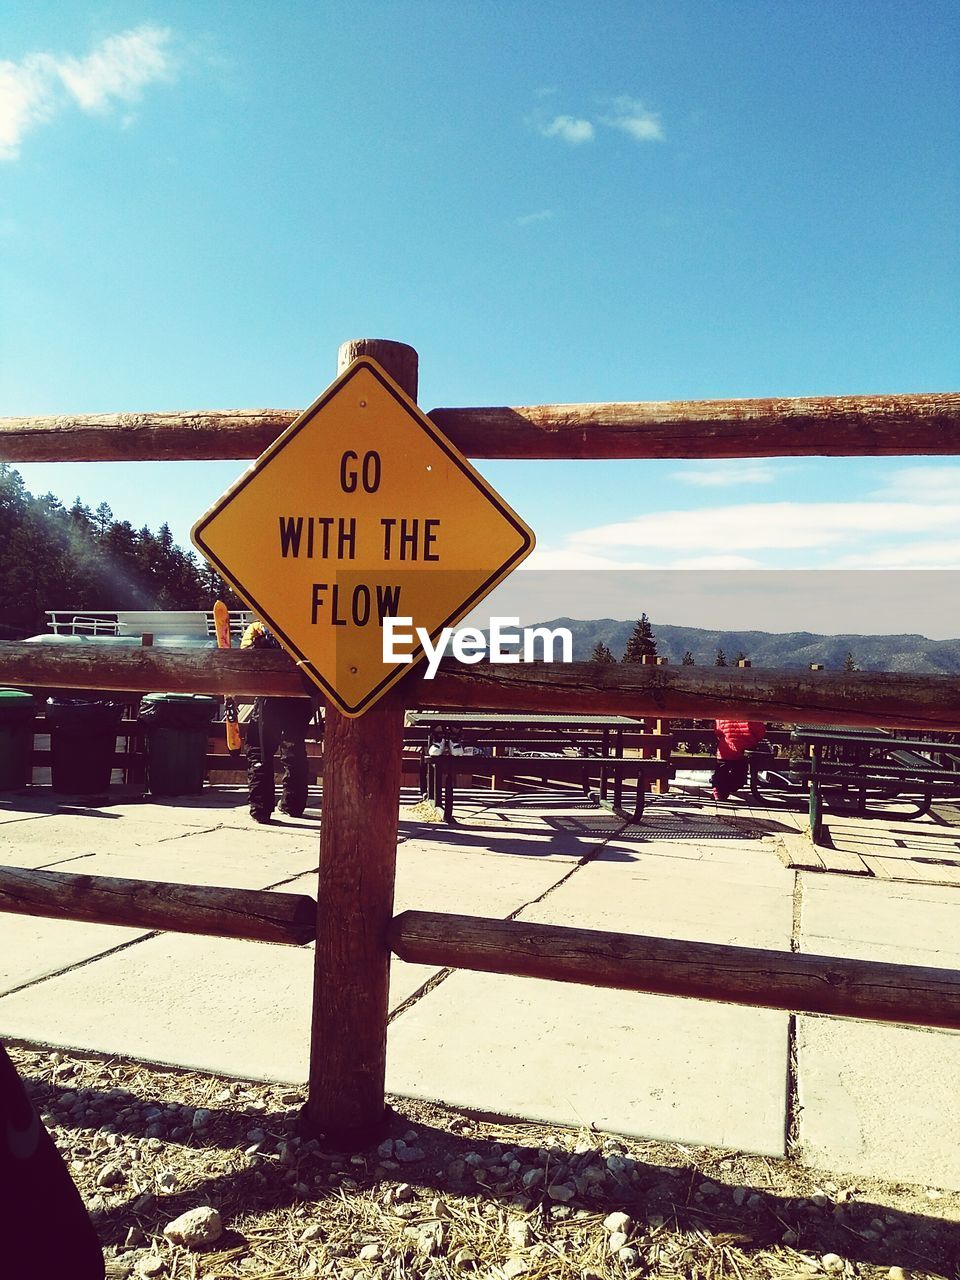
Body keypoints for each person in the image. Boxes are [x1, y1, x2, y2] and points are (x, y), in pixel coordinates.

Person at [240, 619, 320, 822]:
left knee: (260, 749)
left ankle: (261, 807)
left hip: (271, 697)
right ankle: (293, 804)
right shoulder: (308, 627)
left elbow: (245, 659)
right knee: (294, 747)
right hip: (301, 697)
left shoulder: (260, 628)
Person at [711, 719, 767, 801]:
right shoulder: (750, 716)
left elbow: (718, 732)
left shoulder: (723, 715)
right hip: (743, 752)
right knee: (739, 778)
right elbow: (760, 733)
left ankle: (719, 792)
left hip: (725, 750)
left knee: (721, 773)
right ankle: (727, 788)